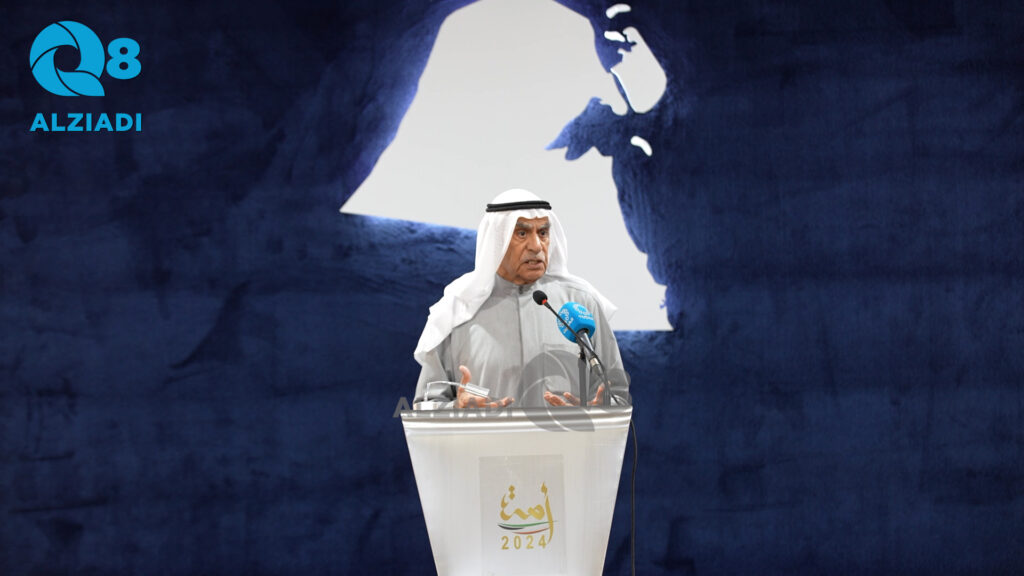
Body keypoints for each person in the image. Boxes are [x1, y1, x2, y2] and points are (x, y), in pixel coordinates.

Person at [413, 188, 628, 409]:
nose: (536, 246)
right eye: (522, 234)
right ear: (497, 240)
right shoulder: (458, 308)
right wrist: (456, 409)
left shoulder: (580, 304)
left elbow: (618, 396)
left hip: (567, 433)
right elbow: (425, 406)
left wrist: (597, 410)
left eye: (543, 233)